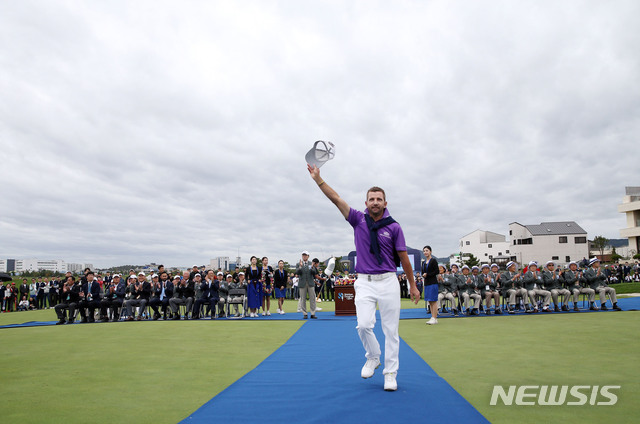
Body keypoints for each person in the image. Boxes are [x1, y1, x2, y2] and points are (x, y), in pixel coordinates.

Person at [307, 164, 419, 392]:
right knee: (363, 325)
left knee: (391, 331)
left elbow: (405, 259)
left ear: (385, 203)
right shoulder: (358, 220)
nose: (375, 202)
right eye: (371, 199)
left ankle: (390, 374)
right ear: (366, 203)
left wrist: (413, 285)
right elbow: (336, 199)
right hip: (364, 282)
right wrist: (318, 179)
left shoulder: (395, 227)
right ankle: (373, 356)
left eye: (379, 199)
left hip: (388, 281)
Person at [295, 251, 318, 319]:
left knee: (312, 299)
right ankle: (305, 313)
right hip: (302, 283)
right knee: (303, 299)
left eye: (306, 255)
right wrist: (300, 266)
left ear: (308, 256)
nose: (304, 256)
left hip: (310, 283)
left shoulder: (311, 263)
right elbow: (297, 273)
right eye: (303, 255)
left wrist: (312, 267)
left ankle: (313, 313)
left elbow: (314, 273)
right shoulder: (298, 264)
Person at [421, 246, 439, 325]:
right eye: (424, 251)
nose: (425, 252)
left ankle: (434, 318)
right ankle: (432, 317)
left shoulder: (433, 261)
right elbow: (422, 272)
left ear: (430, 251)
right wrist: (423, 275)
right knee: (429, 301)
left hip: (433, 282)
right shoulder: (423, 262)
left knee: (433, 300)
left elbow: (436, 271)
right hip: (427, 283)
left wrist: (427, 274)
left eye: (427, 250)